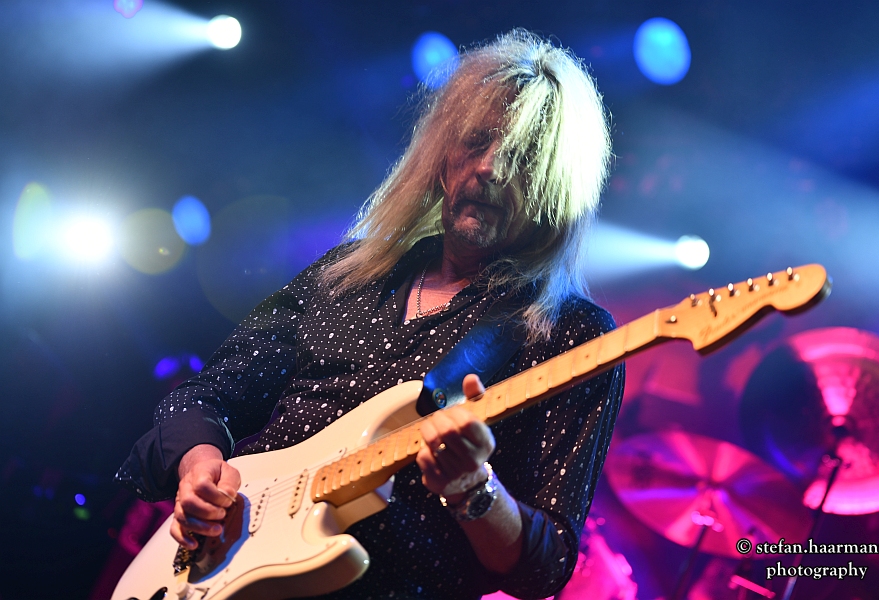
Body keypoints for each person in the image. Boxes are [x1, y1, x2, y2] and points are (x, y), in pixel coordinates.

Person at [117, 29, 624, 600]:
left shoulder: (571, 335)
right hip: (223, 570)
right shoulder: (350, 273)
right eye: (477, 141)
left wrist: (473, 489)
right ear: (442, 156)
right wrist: (200, 465)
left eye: (523, 156)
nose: (489, 168)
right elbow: (207, 394)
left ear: (558, 189)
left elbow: (545, 566)